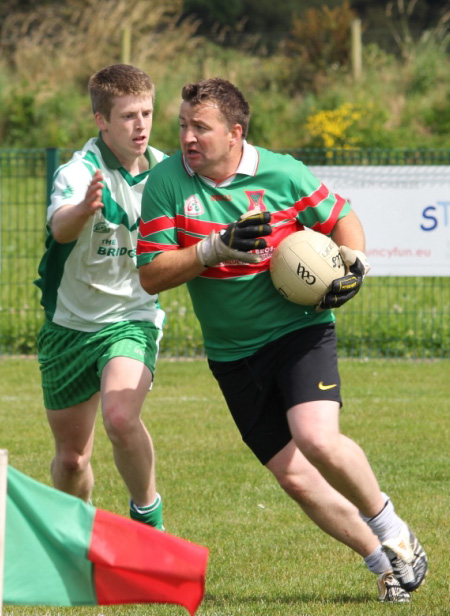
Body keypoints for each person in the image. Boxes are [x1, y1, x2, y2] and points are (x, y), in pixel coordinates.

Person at [136, 77, 428, 601]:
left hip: (299, 332)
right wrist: (212, 251)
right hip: (232, 355)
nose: (187, 137)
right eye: (182, 126)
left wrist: (354, 262)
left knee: (315, 437)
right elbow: (151, 274)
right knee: (294, 478)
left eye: (200, 127)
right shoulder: (165, 183)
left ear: (235, 133)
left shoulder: (283, 172)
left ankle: (391, 527)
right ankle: (384, 564)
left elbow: (343, 220)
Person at [35, 64, 166, 530]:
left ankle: (148, 524)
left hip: (132, 318)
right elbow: (60, 225)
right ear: (101, 120)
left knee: (119, 416)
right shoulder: (79, 173)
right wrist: (84, 210)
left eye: (147, 113)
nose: (141, 125)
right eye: (129, 115)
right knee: (71, 459)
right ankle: (75, 533)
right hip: (69, 326)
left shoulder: (168, 175)